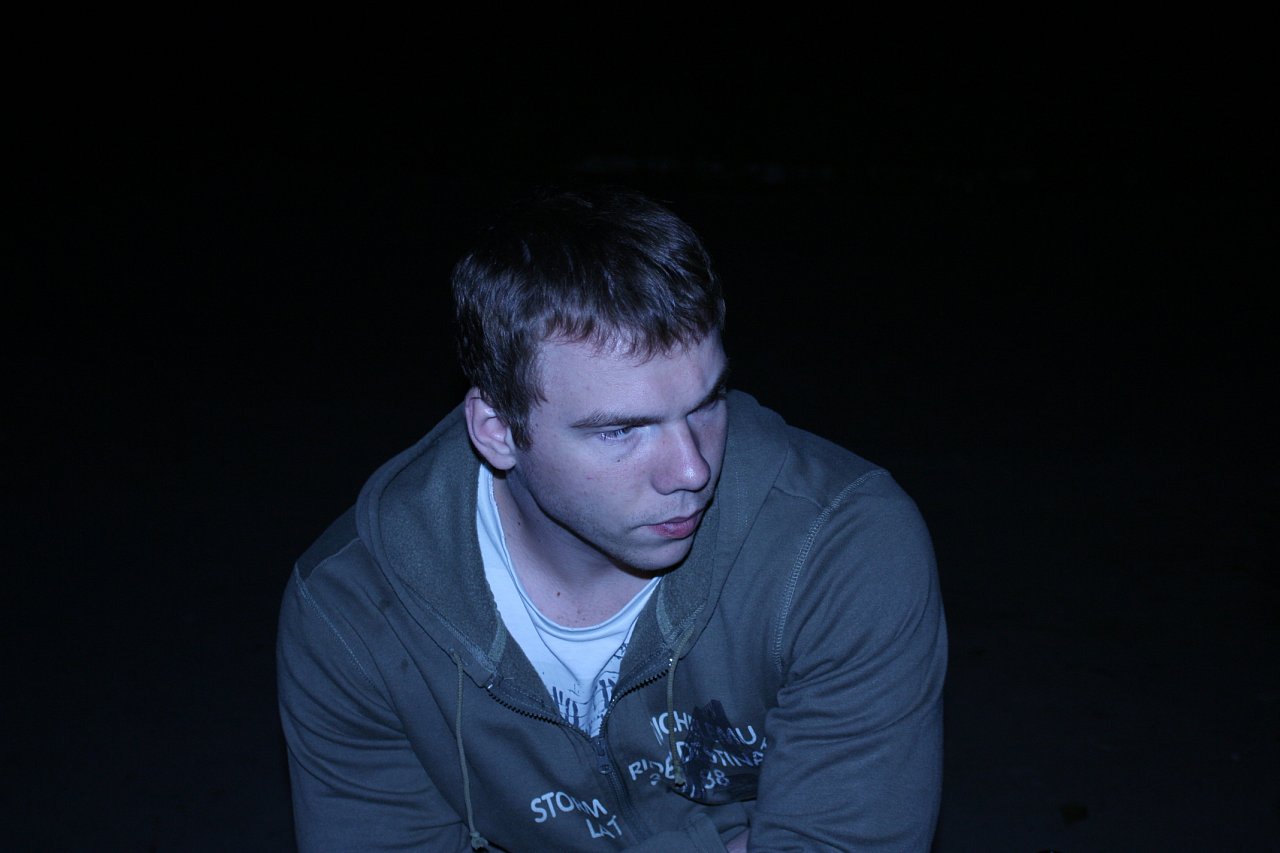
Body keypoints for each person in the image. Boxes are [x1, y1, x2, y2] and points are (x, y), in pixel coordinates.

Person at [277, 187, 947, 851]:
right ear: (497, 430)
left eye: (706, 403)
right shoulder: (355, 610)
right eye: (621, 429)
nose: (690, 469)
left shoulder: (841, 547)